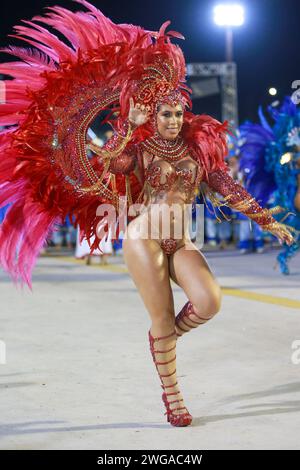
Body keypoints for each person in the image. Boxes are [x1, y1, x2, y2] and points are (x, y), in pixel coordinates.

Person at [0, 1, 295, 427]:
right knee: (160, 316)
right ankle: (173, 396)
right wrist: (125, 125)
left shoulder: (198, 150)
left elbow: (227, 187)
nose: (173, 119)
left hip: (183, 240)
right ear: (152, 116)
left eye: (177, 113)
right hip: (144, 237)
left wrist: (266, 219)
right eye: (164, 114)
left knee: (209, 301)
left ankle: (163, 341)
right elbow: (106, 164)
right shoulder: (138, 150)